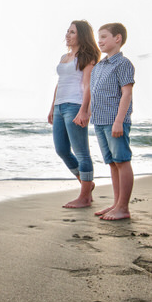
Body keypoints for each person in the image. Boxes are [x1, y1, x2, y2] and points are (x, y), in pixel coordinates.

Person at [48, 20, 101, 208]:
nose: (68, 35)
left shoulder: (87, 56)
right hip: (60, 106)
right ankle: (87, 184)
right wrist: (52, 106)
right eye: (67, 31)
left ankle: (85, 196)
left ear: (82, 36)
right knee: (61, 149)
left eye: (72, 32)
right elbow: (60, 83)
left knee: (81, 152)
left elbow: (88, 86)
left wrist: (84, 110)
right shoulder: (64, 57)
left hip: (75, 105)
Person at [90, 22, 136, 221]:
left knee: (122, 160)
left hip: (115, 121)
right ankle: (116, 203)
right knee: (112, 163)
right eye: (98, 37)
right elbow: (93, 93)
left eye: (103, 37)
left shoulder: (123, 64)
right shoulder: (99, 66)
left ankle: (123, 207)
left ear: (117, 39)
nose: (99, 41)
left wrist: (119, 121)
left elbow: (126, 94)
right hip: (100, 121)